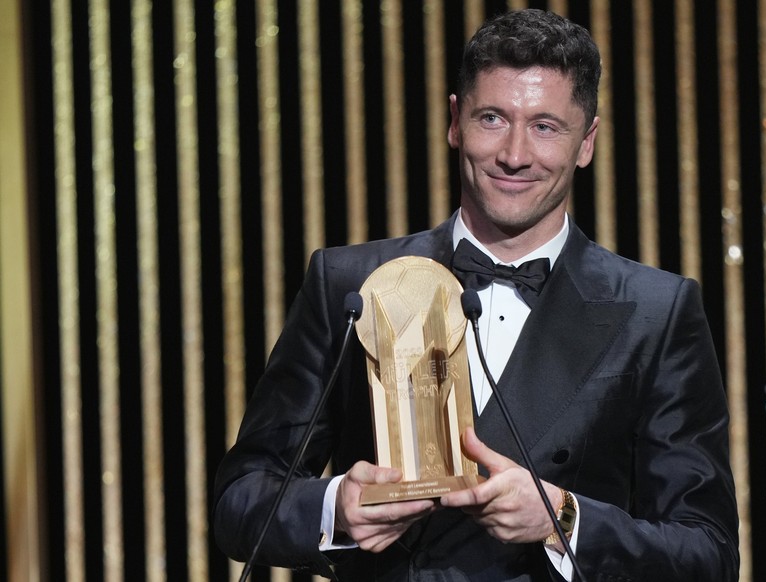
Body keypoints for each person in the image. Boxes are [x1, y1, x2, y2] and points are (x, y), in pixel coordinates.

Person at [214, 8, 739, 581]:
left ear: (586, 142)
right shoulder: (349, 283)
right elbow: (241, 500)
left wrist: (561, 518)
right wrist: (334, 508)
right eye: (492, 118)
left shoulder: (656, 313)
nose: (514, 154)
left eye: (545, 127)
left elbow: (706, 554)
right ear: (455, 121)